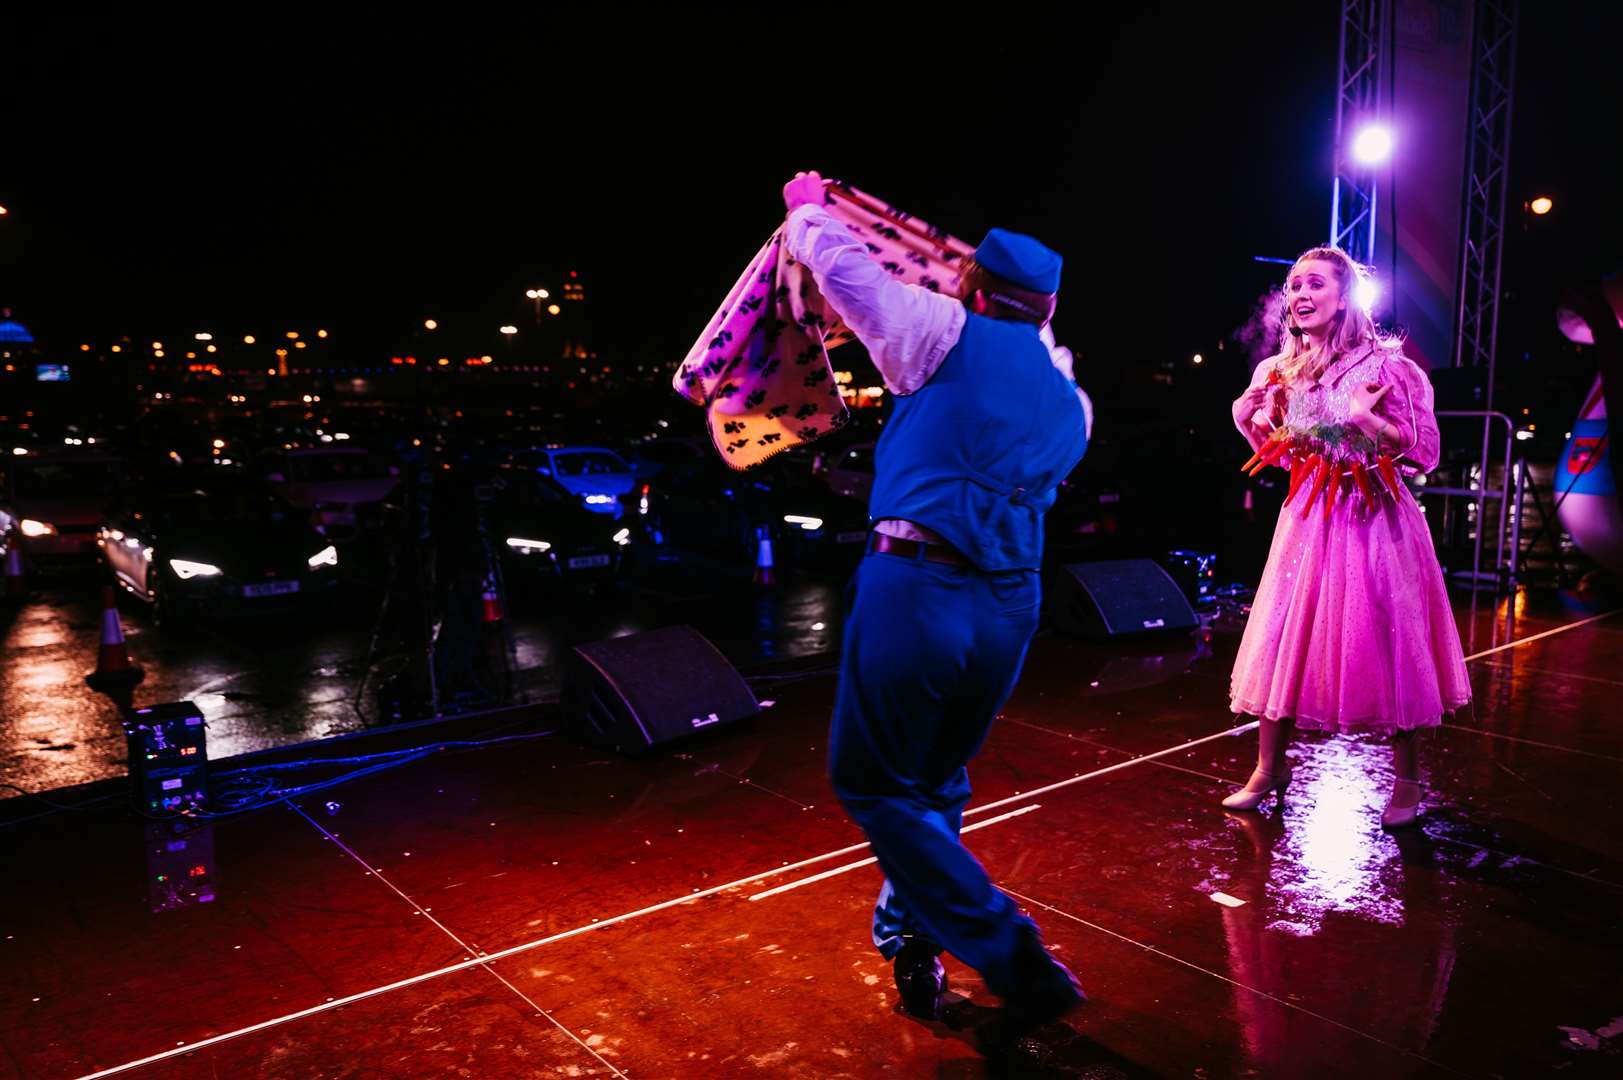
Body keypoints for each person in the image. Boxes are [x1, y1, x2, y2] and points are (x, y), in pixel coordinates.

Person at [780, 171, 1089, 1047]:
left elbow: (849, 278)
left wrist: (808, 207)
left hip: (920, 585)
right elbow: (1037, 358)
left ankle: (1005, 948)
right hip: (1009, 605)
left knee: (872, 780)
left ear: (973, 287)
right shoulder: (1072, 397)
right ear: (1051, 303)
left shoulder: (938, 329)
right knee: (933, 783)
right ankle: (911, 939)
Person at [1226, 246, 1471, 828]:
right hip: (1309, 521)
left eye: (1314, 284)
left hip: (1376, 518)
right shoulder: (1277, 371)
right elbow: (1283, 459)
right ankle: (1269, 766)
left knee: (1389, 640)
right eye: (1293, 286)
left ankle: (1407, 780)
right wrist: (1247, 420)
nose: (1300, 295)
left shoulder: (1388, 368)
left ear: (1345, 297)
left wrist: (1369, 422)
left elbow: (1427, 454)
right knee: (1284, 636)